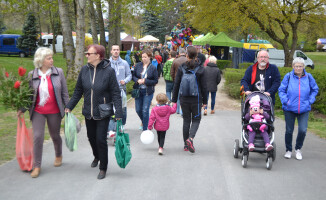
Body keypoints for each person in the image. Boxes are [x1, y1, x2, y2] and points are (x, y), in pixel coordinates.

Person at [65, 44, 123, 180]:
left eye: (88, 53)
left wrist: (119, 112)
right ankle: (97, 156)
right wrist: (69, 106)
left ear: (98, 56)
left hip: (103, 112)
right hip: (88, 112)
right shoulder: (84, 70)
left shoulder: (109, 71)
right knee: (91, 138)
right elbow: (78, 91)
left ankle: (103, 167)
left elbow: (115, 93)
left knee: (101, 140)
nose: (86, 55)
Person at [17, 47, 69, 178]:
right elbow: (28, 95)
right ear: (41, 60)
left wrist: (68, 107)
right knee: (38, 136)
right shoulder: (32, 75)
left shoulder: (59, 72)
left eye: (51, 57)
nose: (52, 60)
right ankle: (37, 165)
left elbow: (64, 93)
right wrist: (22, 109)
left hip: (54, 111)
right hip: (38, 111)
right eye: (49, 58)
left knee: (55, 136)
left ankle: (58, 154)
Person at [278, 57, 319, 160]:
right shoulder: (288, 76)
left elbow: (315, 89)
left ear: (303, 67)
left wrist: (310, 101)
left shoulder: (309, 77)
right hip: (289, 108)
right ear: (293, 67)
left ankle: (298, 149)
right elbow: (281, 90)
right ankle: (288, 150)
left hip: (304, 109)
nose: (298, 68)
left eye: (300, 66)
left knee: (303, 130)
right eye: (296, 66)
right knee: (289, 130)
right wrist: (286, 101)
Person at [172, 46, 207, 153]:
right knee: (196, 119)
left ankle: (185, 145)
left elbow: (176, 84)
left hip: (183, 98)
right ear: (196, 55)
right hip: (196, 99)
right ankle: (190, 139)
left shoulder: (182, 67)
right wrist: (205, 101)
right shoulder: (200, 69)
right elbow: (204, 87)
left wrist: (174, 100)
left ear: (186, 55)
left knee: (186, 120)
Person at [132, 49, 158, 131]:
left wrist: (145, 81)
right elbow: (133, 76)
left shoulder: (153, 68)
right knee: (138, 109)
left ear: (149, 57)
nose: (143, 59)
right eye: (142, 57)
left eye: (145, 57)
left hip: (148, 91)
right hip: (138, 90)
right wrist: (137, 80)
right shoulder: (138, 65)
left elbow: (155, 80)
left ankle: (145, 129)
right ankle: (145, 121)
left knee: (145, 110)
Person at [109, 45, 132, 126]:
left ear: (119, 51)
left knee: (122, 108)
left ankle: (121, 125)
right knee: (111, 108)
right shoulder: (107, 63)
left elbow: (129, 75)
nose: (116, 51)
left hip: (121, 89)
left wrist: (124, 81)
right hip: (110, 90)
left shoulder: (124, 63)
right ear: (111, 51)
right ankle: (112, 127)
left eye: (117, 50)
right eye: (114, 50)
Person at [171, 48, 187, 115]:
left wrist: (174, 79)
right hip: (186, 80)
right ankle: (183, 110)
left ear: (179, 53)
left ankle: (177, 109)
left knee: (177, 94)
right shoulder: (188, 60)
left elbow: (172, 72)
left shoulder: (175, 61)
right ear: (185, 53)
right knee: (184, 95)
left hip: (177, 80)